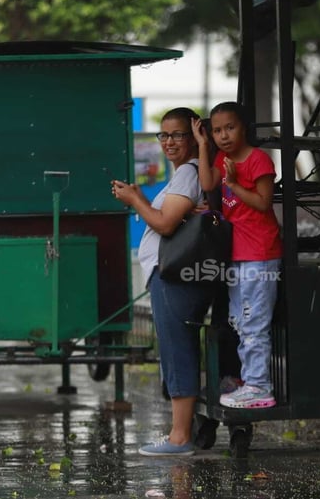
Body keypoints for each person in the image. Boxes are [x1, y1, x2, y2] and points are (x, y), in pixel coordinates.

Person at [112, 107, 214, 456]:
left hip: (174, 276)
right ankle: (181, 431)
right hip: (171, 274)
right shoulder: (186, 175)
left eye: (178, 135)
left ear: (195, 137)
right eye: (164, 135)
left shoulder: (188, 173)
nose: (169, 142)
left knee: (176, 349)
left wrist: (135, 199)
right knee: (175, 348)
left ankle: (179, 437)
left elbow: (166, 223)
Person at [192, 101, 282, 409]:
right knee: (241, 321)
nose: (223, 135)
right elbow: (207, 183)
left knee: (253, 322)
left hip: (259, 252)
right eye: (216, 131)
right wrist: (203, 146)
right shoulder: (221, 157)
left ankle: (259, 387)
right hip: (238, 253)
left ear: (244, 127)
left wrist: (232, 184)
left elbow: (263, 203)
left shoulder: (258, 160)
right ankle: (251, 379)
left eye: (229, 128)